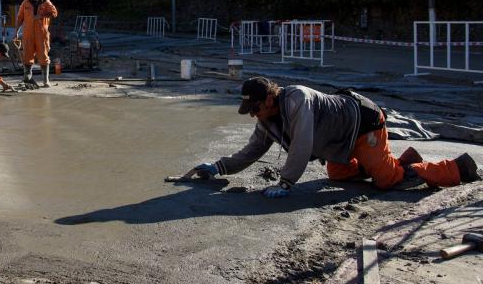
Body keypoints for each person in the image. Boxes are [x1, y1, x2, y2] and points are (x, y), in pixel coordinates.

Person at [188, 77, 479, 197]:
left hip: (364, 125)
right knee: (338, 175)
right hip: (341, 142)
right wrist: (218, 168)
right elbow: (251, 151)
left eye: (255, 109)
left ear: (269, 99)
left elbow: (301, 144)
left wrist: (286, 183)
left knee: (388, 182)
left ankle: (457, 168)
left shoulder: (297, 99)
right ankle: (394, 161)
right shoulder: (267, 120)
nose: (253, 115)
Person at [15, 0, 58, 87]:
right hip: (28, 34)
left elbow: (54, 13)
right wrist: (16, 32)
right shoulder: (25, 3)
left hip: (42, 34)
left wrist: (42, 15)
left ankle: (45, 80)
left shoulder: (46, 2)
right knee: (27, 56)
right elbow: (20, 18)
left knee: (43, 57)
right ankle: (27, 78)